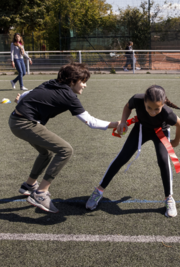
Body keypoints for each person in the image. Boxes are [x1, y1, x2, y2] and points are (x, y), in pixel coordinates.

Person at [9, 63, 119, 213]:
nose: (85, 86)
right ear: (73, 81)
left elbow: (29, 93)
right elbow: (91, 122)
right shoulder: (69, 96)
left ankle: (28, 185)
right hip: (24, 124)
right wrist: (116, 124)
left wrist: (20, 98)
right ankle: (40, 193)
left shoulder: (52, 83)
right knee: (65, 150)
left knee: (45, 153)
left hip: (16, 120)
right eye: (83, 81)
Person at [86, 85, 180, 218]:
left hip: (160, 132)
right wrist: (123, 121)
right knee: (122, 157)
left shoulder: (168, 113)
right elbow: (127, 107)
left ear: (163, 104)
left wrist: (176, 141)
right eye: (149, 107)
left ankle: (169, 198)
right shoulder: (137, 99)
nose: (152, 112)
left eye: (157, 109)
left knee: (163, 160)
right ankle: (99, 190)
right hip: (141, 128)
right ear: (144, 102)